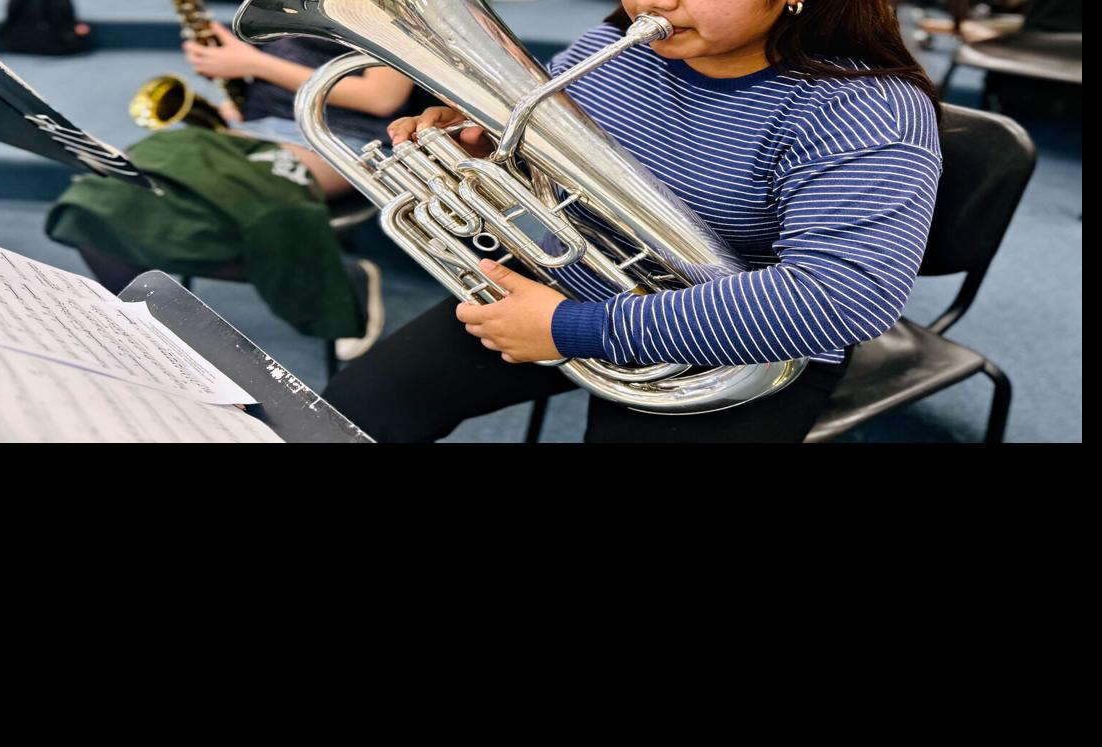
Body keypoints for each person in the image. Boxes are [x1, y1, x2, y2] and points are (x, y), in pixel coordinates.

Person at [322, 0, 943, 442]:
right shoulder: (616, 47)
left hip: (737, 353)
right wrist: (485, 149)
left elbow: (843, 297)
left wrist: (572, 329)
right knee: (356, 409)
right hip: (571, 289)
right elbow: (549, 164)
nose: (657, 2)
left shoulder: (864, 108)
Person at [47, 25, 418, 359]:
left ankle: (342, 287)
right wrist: (235, 73)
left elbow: (381, 97)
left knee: (236, 207)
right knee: (103, 198)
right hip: (254, 125)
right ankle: (160, 337)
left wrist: (252, 63)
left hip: (336, 135)